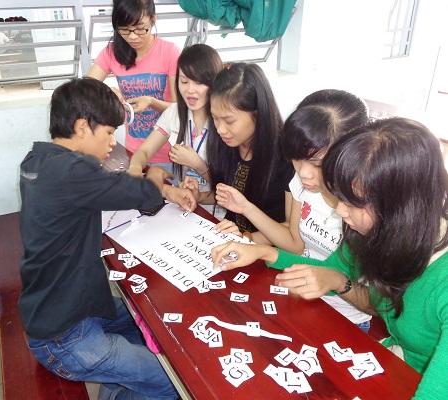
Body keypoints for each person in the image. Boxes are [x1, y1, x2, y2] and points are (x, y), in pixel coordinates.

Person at [212, 117, 448, 399]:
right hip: (392, 364)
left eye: (353, 203)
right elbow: (333, 271)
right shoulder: (376, 232)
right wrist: (264, 252)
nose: (340, 212)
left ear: (400, 206)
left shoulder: (440, 278)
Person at [18, 77, 196, 400]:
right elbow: (140, 192)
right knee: (178, 383)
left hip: (65, 307)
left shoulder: (40, 161)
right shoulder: (73, 171)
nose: (113, 143)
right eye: (110, 133)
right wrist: (157, 176)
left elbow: (111, 189)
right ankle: (118, 391)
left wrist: (159, 189)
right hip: (65, 338)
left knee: (152, 327)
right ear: (82, 127)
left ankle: (119, 380)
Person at [214, 89, 372, 331]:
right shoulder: (302, 182)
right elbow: (296, 243)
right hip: (298, 294)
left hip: (344, 317)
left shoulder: (364, 210)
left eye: (317, 163)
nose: (304, 173)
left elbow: (367, 297)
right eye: (297, 159)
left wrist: (263, 251)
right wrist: (247, 218)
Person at [183, 62, 294, 235]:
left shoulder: (287, 157)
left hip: (263, 248)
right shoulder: (228, 145)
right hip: (232, 239)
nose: (220, 129)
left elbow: (292, 232)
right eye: (215, 118)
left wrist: (246, 238)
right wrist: (200, 197)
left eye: (229, 121)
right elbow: (234, 196)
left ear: (258, 113)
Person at [87, 0, 181, 172]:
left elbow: (179, 109)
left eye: (140, 28)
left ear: (153, 19)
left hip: (169, 153)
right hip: (134, 152)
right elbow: (84, 89)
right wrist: (109, 92)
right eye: (124, 29)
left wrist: (152, 102)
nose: (132, 37)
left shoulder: (169, 52)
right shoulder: (111, 52)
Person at [127, 44, 223, 206]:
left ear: (214, 82)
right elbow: (144, 151)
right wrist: (135, 168)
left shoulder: (223, 120)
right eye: (184, 81)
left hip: (218, 211)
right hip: (186, 203)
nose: (190, 90)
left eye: (199, 83)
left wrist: (198, 165)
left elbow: (231, 187)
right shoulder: (174, 112)